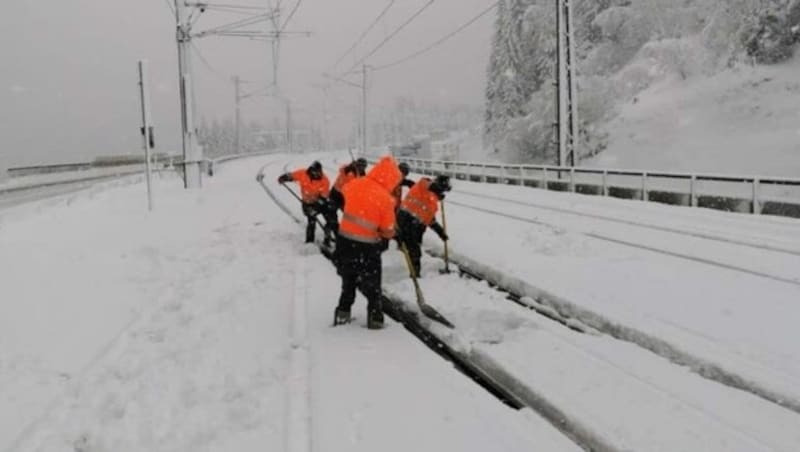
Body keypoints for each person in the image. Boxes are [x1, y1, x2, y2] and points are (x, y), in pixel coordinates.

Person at [333, 155, 402, 329]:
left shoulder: (355, 184)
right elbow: (387, 230)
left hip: (344, 242)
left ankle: (343, 312)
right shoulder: (386, 199)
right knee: (372, 285)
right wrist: (391, 232)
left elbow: (342, 193)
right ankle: (375, 318)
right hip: (367, 247)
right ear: (391, 178)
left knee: (348, 280)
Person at [396, 174, 452, 277]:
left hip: (415, 226)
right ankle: (415, 275)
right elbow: (424, 182)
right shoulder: (424, 184)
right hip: (405, 219)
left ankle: (414, 273)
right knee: (414, 251)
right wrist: (436, 188)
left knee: (414, 248)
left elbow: (429, 220)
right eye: (442, 189)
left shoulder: (433, 204)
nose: (442, 193)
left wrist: (440, 232)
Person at [277, 161, 337, 245]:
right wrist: (283, 178)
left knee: (331, 218)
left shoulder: (325, 180)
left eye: (318, 172)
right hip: (307, 203)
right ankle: (309, 242)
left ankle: (328, 238)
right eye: (314, 171)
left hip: (320, 202)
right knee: (311, 221)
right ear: (310, 170)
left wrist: (316, 208)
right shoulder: (303, 173)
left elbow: (323, 197)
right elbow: (292, 176)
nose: (316, 174)